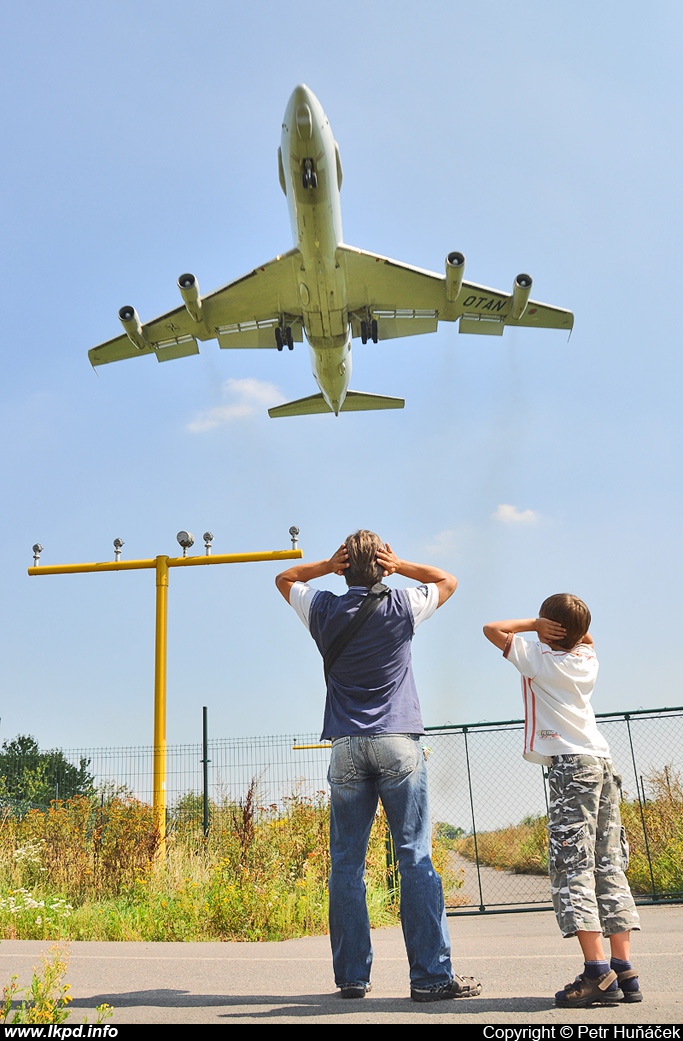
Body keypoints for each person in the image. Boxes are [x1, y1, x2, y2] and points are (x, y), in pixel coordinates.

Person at [275, 530, 482, 1002]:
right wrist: (402, 564)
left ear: (343, 566)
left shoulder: (323, 609)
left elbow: (285, 577)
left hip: (346, 745)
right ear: (383, 565)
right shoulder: (403, 604)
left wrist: (326, 569)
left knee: (346, 864)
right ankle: (430, 978)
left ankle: (352, 978)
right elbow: (447, 580)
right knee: (414, 857)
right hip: (397, 742)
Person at [483, 594, 642, 1008]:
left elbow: (492, 629)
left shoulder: (540, 659)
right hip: (603, 763)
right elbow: (583, 635)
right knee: (608, 863)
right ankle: (624, 969)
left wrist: (535, 625)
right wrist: (561, 628)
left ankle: (596, 973)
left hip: (571, 766)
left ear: (550, 629)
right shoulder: (586, 658)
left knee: (573, 865)